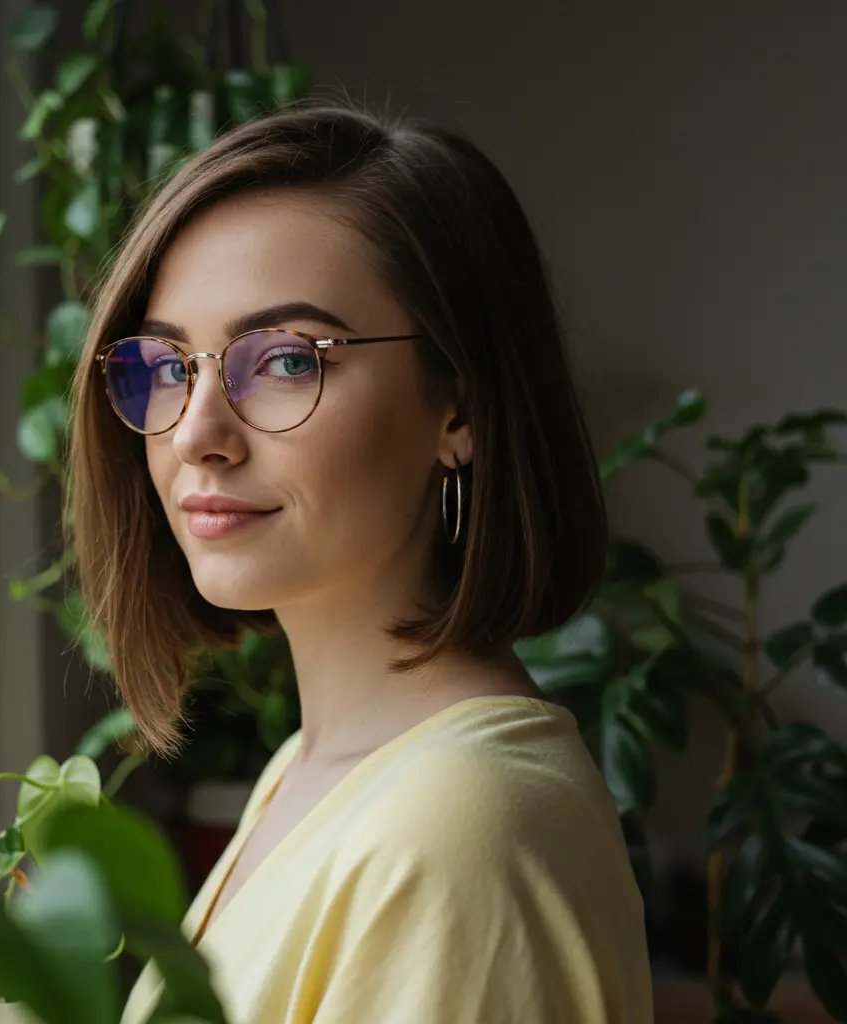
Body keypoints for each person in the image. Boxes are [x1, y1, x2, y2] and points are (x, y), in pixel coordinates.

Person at [69, 101, 653, 1023]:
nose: (198, 435)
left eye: (288, 361)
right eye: (173, 366)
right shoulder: (314, 767)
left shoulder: (459, 830)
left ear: (457, 410)